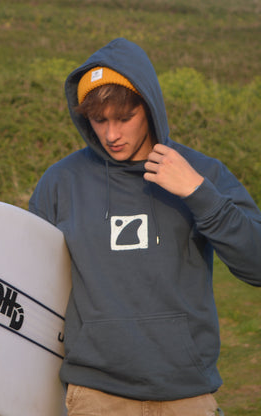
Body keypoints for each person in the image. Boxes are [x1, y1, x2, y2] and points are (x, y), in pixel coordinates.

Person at [29, 38, 261, 415]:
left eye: (124, 118)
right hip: (96, 395)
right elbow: (33, 289)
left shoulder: (203, 172)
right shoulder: (61, 182)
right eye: (99, 120)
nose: (111, 135)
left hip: (186, 393)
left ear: (149, 108)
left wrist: (199, 194)